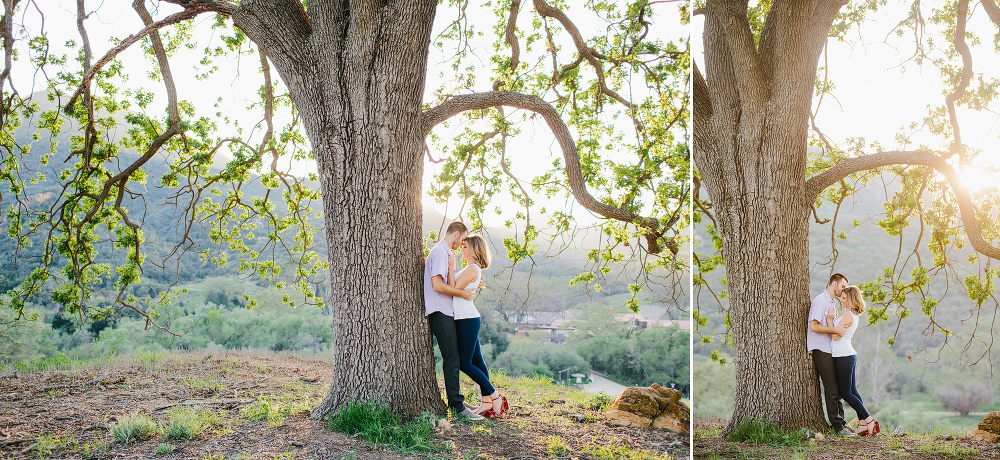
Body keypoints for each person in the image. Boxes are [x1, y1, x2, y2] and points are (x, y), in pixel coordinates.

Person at [424, 221, 483, 420]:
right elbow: (437, 286)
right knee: (452, 358)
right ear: (456, 233)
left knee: (456, 357)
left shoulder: (443, 252)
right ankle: (457, 407)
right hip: (440, 311)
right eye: (462, 240)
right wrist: (462, 293)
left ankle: (457, 400)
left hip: (447, 311)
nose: (461, 245)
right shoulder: (441, 251)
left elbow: (451, 282)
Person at [449, 234, 508, 417]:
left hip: (466, 319)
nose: (461, 249)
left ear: (474, 250)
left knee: (465, 364)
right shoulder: (471, 269)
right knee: (477, 362)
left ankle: (496, 397)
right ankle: (486, 402)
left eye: (465, 247)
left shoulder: (472, 269)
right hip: (467, 318)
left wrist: (451, 268)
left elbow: (454, 288)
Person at [829, 286, 880, 436]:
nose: (841, 300)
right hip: (848, 355)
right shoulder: (852, 315)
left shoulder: (847, 316)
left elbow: (834, 336)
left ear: (851, 299)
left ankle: (870, 420)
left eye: (844, 298)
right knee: (853, 391)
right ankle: (863, 424)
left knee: (845, 392)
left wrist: (828, 320)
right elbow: (837, 333)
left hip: (844, 356)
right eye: (841, 298)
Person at [808, 273, 852, 435]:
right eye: (842, 286)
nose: (844, 290)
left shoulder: (832, 303)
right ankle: (837, 427)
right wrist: (834, 328)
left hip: (831, 349)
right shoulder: (821, 301)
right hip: (821, 349)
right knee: (831, 387)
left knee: (838, 387)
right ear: (834, 284)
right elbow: (813, 327)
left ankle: (842, 422)